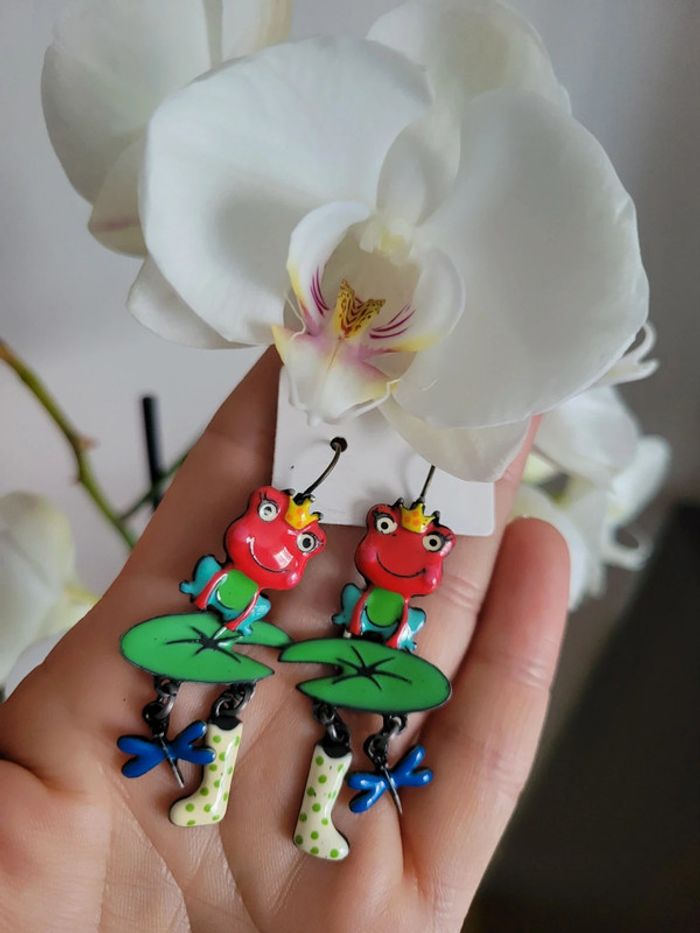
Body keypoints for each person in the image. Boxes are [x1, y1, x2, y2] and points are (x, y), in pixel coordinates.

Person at [0, 353, 569, 932]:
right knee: (231, 702)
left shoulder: (392, 594)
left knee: (328, 724)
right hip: (225, 631)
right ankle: (212, 791)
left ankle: (311, 816)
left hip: (348, 649)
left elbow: (376, 609)